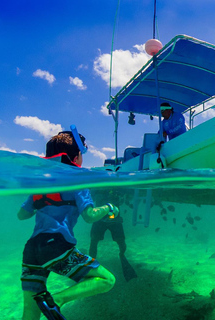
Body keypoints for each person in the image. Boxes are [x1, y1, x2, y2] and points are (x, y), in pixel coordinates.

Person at [18, 127, 119, 320]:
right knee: (107, 280)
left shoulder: (42, 183)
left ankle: (47, 302)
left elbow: (22, 215)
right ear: (77, 156)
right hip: (56, 246)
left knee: (30, 312)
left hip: (31, 249)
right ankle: (57, 300)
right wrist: (108, 207)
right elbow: (90, 215)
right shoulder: (77, 178)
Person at [89, 190, 137, 282]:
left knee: (119, 241)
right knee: (94, 240)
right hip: (104, 218)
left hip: (110, 219)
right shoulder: (101, 185)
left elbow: (129, 194)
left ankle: (122, 256)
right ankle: (91, 264)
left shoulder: (108, 185)